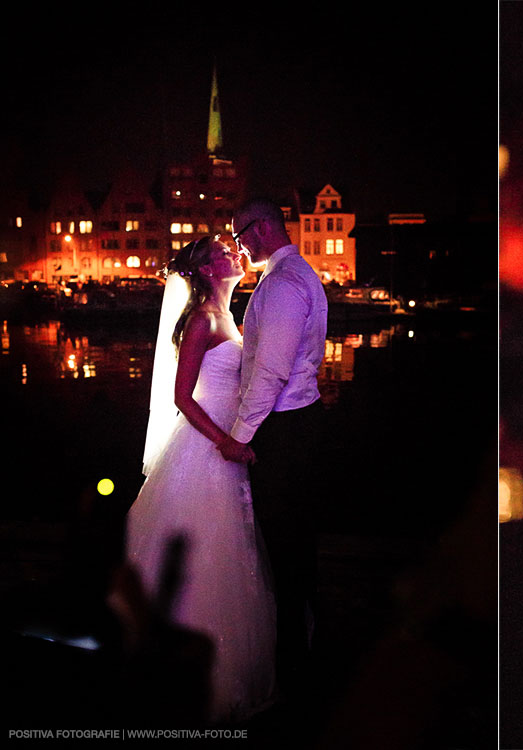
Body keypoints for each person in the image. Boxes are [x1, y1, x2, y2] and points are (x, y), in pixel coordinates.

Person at [126, 235, 276, 724]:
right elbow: (183, 398)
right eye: (225, 251)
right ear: (209, 268)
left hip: (225, 443)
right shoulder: (203, 320)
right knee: (208, 553)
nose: (237, 254)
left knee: (232, 552)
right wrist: (226, 442)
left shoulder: (231, 316)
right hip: (206, 446)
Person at [217, 198, 328, 701]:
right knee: (299, 543)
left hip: (284, 428)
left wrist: (239, 435)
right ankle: (306, 647)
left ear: (261, 229)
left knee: (286, 547)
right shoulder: (297, 273)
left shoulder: (282, 284)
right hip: (302, 421)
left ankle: (296, 669)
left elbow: (270, 370)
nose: (239, 246)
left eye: (241, 236)